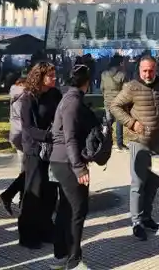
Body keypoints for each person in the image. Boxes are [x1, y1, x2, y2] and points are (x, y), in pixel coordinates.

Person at [109, 55, 159, 241]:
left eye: (151, 70)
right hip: (139, 142)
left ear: (156, 69)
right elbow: (115, 106)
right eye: (144, 70)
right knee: (138, 183)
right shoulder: (132, 87)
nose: (147, 74)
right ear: (139, 70)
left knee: (154, 182)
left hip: (158, 141)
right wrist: (131, 122)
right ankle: (136, 223)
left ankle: (146, 216)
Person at [49, 64, 98, 270]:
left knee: (66, 208)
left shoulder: (69, 98)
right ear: (87, 82)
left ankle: (61, 254)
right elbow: (69, 138)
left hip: (62, 161)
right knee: (78, 209)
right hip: (67, 162)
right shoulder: (72, 102)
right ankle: (73, 259)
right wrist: (79, 168)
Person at [17, 61, 62, 249]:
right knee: (33, 192)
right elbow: (27, 128)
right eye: (50, 76)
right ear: (40, 77)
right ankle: (27, 234)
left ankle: (46, 228)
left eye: (54, 75)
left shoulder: (55, 94)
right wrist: (47, 135)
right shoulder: (28, 98)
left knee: (50, 191)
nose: (54, 78)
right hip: (35, 149)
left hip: (52, 149)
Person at [0, 74, 28, 216]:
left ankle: (23, 201)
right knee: (30, 169)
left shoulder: (15, 94)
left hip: (16, 135)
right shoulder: (25, 96)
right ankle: (8, 195)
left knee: (26, 169)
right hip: (25, 136)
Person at [101, 54, 127, 151]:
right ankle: (119, 144)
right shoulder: (122, 74)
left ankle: (107, 143)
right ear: (120, 63)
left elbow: (101, 88)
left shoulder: (103, 74)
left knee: (108, 123)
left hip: (107, 101)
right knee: (119, 123)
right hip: (118, 102)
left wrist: (105, 97)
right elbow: (126, 89)